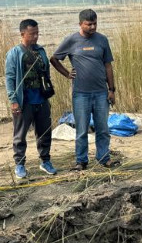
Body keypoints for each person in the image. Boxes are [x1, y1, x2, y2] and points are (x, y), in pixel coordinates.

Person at [50, 9, 119, 170]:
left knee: (103, 128)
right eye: (89, 24)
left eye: (95, 23)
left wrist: (112, 89)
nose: (93, 27)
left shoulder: (102, 40)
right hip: (81, 94)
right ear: (80, 23)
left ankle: (104, 158)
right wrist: (67, 73)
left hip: (101, 93)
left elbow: (108, 65)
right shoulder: (71, 40)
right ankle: (81, 161)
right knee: (81, 130)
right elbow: (54, 59)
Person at [5, 19, 57, 178]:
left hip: (41, 99)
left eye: (37, 33)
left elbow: (46, 72)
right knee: (20, 134)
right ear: (22, 34)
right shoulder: (14, 53)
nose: (35, 37)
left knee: (44, 131)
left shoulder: (40, 51)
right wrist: (13, 100)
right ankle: (19, 164)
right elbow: (10, 77)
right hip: (24, 100)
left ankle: (45, 160)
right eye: (32, 34)